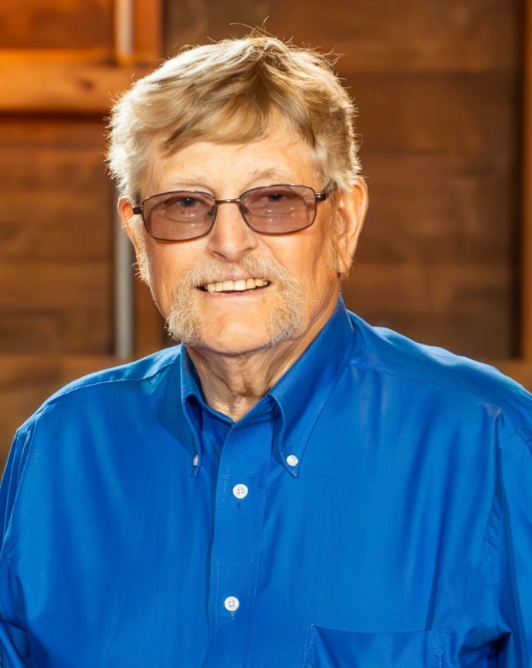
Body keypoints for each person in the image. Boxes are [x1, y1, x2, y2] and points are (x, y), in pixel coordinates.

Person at [1, 33, 531, 668]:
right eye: (185, 204)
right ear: (138, 237)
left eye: (275, 200)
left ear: (344, 221)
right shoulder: (57, 448)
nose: (229, 242)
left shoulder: (492, 439)